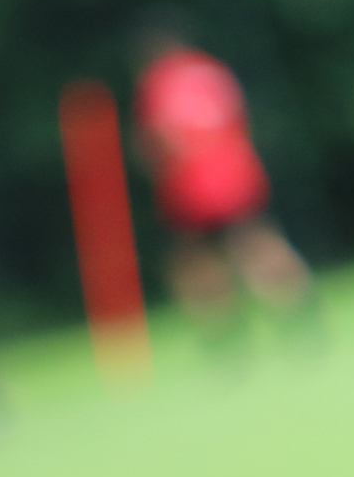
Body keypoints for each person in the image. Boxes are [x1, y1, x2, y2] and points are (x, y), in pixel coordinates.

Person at [131, 22, 313, 333]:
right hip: (238, 172)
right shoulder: (212, 71)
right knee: (253, 240)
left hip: (192, 183)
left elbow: (163, 139)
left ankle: (224, 329)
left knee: (191, 258)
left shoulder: (159, 82)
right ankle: (297, 306)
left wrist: (147, 157)